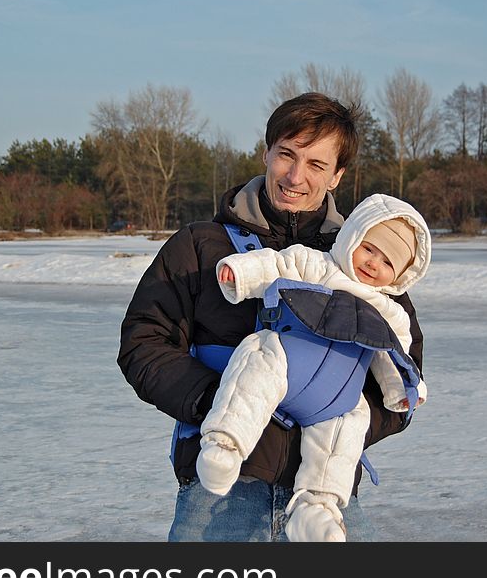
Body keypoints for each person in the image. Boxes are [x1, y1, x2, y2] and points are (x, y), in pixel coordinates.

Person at [118, 92, 425, 541]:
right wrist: (220, 403)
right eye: (287, 155)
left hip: (324, 500)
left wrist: (338, 414)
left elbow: (403, 376)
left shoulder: (366, 264)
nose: (296, 176)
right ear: (267, 152)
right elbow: (144, 344)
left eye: (317, 165)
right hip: (220, 499)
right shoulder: (202, 247)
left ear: (337, 175)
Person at [197, 193, 431, 541]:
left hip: (337, 393)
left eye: (386, 262)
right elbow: (275, 265)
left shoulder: (390, 311)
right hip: (289, 360)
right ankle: (225, 445)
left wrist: (404, 391)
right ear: (352, 235)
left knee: (350, 423)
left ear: (399, 275)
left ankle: (316, 507)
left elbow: (395, 355)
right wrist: (241, 274)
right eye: (369, 248)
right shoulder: (317, 264)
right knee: (255, 359)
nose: (372, 263)